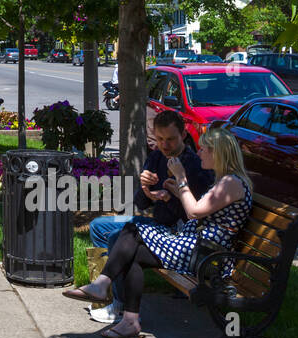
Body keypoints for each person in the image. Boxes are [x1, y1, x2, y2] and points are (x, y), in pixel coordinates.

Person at [63, 125, 254, 338]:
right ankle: (130, 322)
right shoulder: (227, 180)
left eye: (204, 149)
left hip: (206, 256)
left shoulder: (231, 182)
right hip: (197, 249)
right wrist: (174, 192)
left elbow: (194, 212)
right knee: (132, 253)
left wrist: (181, 179)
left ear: (217, 152)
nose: (200, 152)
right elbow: (200, 211)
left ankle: (102, 284)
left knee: (133, 230)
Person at [85, 109, 212, 324]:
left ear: (183, 135)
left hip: (175, 230)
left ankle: (120, 304)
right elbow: (141, 203)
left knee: (118, 236)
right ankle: (108, 291)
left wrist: (168, 198)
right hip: (155, 221)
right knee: (99, 226)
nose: (164, 145)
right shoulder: (156, 157)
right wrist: (146, 190)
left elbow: (194, 217)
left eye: (170, 139)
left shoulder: (195, 165)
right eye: (160, 139)